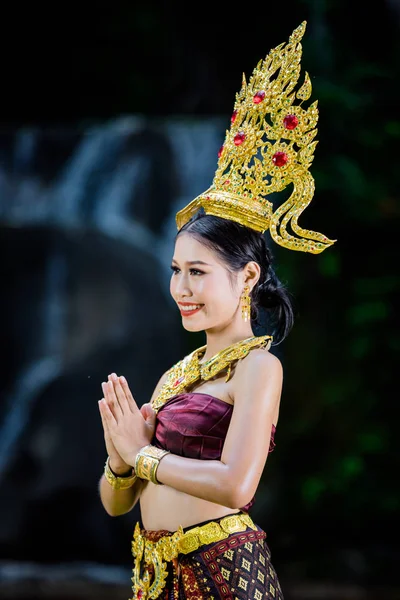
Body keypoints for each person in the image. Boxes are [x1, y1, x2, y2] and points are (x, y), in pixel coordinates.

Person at [97, 21, 335, 600]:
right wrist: (118, 460)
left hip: (224, 574)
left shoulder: (259, 369)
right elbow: (113, 504)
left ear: (247, 276)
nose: (181, 287)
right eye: (176, 270)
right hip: (156, 579)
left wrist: (144, 456)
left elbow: (235, 486)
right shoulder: (178, 374)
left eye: (197, 272)